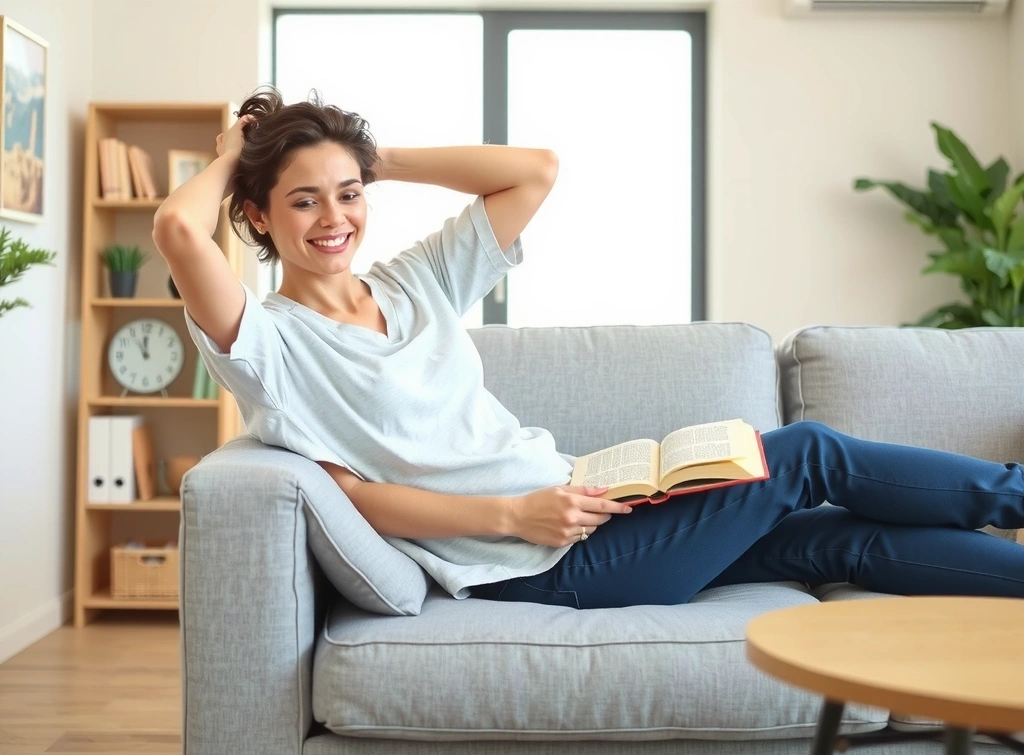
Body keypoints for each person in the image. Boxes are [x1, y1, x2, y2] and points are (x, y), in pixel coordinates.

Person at [153, 87, 1024, 610]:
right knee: (808, 454)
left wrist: (364, 155)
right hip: (534, 561)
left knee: (835, 542)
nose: (335, 218)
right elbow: (177, 227)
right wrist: (239, 152)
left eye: (348, 194)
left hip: (589, 505)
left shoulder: (413, 283)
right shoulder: (266, 342)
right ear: (259, 215)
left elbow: (532, 169)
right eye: (303, 202)